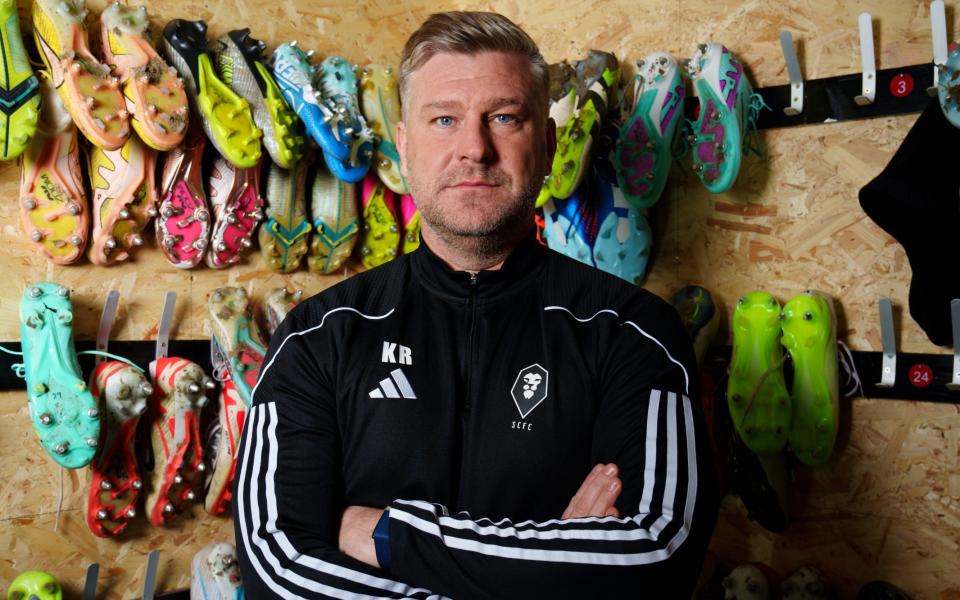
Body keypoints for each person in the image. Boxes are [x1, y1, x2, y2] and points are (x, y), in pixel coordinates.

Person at [234, 11, 718, 598]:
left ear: (547, 145)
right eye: (444, 119)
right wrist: (558, 561)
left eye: (505, 118)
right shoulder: (315, 338)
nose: (474, 149)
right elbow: (277, 568)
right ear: (405, 148)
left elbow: (655, 554)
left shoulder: (635, 332)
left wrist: (389, 534)